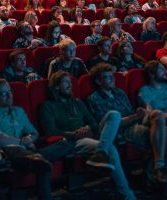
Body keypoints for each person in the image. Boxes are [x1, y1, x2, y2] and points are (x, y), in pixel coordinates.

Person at [86, 64, 167, 198]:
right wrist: (136, 116)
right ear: (98, 81)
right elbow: (111, 125)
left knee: (158, 114)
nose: (112, 80)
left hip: (135, 121)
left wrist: (138, 114)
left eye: (112, 77)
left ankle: (159, 168)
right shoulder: (95, 98)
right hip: (123, 129)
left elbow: (131, 113)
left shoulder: (119, 92)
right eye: (107, 78)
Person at [40, 71, 138, 200]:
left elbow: (92, 122)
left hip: (91, 133)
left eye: (70, 82)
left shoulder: (77, 102)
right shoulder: (47, 106)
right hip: (73, 141)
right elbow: (51, 131)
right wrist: (74, 134)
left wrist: (87, 128)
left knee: (114, 114)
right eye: (66, 82)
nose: (70, 85)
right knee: (112, 149)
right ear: (56, 86)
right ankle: (128, 196)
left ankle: (100, 152)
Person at [0, 79, 72, 200]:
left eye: (10, 91)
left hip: (28, 151)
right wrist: (20, 142)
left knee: (65, 144)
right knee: (42, 165)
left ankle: (37, 159)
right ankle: (38, 160)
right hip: (8, 153)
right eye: (4, 93)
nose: (9, 95)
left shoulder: (19, 111)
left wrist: (29, 139)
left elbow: (34, 133)